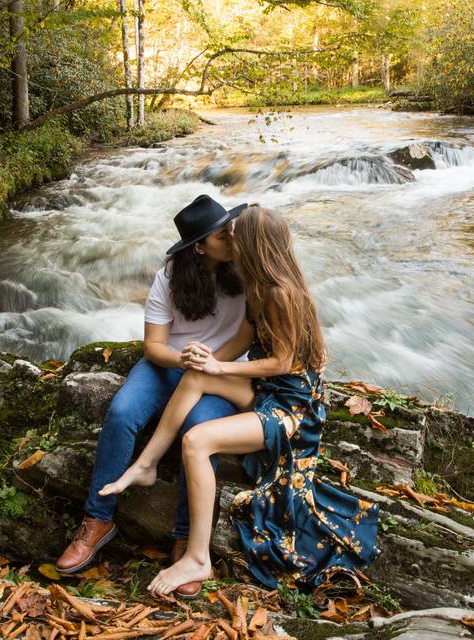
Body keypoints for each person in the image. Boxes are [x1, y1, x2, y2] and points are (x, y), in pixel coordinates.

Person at [100, 205, 380, 597]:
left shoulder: (281, 294)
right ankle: (146, 464)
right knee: (197, 374)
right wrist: (210, 362)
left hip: (292, 409)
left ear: (253, 245)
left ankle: (197, 557)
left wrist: (221, 370)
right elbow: (240, 344)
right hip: (269, 393)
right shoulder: (258, 287)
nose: (231, 238)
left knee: (197, 441)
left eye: (236, 234)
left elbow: (283, 362)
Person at [56, 194, 255, 583]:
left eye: (230, 229)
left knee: (198, 431)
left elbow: (247, 338)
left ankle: (186, 541)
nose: (232, 238)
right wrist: (184, 361)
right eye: (221, 235)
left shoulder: (246, 269)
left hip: (225, 368)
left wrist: (211, 365)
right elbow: (154, 346)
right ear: (199, 247)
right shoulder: (171, 275)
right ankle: (97, 520)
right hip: (170, 364)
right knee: (122, 413)